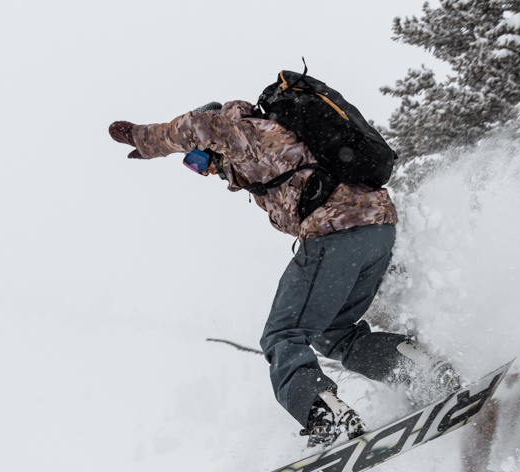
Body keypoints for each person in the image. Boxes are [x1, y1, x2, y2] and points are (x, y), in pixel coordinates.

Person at [109, 100, 456, 447]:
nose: (206, 171)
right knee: (331, 333)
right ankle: (418, 368)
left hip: (336, 233)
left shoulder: (240, 132)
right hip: (377, 232)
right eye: (195, 168)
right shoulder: (273, 144)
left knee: (281, 335)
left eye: (198, 160)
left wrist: (145, 139)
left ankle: (325, 417)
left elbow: (200, 126)